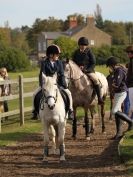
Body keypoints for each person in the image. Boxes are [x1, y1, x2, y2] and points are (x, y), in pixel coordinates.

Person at [32, 44, 74, 120]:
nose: (58, 56)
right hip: (47, 84)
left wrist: (64, 85)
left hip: (57, 84)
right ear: (51, 55)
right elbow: (42, 74)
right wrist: (42, 85)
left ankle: (70, 110)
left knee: (69, 93)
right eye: (57, 54)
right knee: (35, 94)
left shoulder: (59, 63)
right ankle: (34, 111)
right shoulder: (44, 63)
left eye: (58, 54)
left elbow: (61, 74)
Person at [106, 56, 133, 140]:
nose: (110, 67)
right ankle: (118, 133)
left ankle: (130, 122)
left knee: (114, 111)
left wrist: (113, 85)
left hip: (121, 92)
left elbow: (117, 84)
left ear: (113, 65)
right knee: (117, 113)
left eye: (110, 66)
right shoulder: (117, 70)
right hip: (118, 93)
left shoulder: (119, 70)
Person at [72, 37, 104, 105]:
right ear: (79, 45)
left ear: (86, 45)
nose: (83, 46)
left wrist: (86, 69)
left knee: (95, 80)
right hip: (78, 72)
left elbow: (93, 63)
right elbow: (73, 62)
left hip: (88, 71)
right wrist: (78, 67)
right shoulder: (76, 52)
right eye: (81, 45)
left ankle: (99, 98)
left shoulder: (89, 52)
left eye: (84, 45)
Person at [125, 45, 133, 120]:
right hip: (130, 85)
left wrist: (128, 81)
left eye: (128, 53)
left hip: (132, 85)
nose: (127, 54)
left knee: (132, 105)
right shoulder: (131, 61)